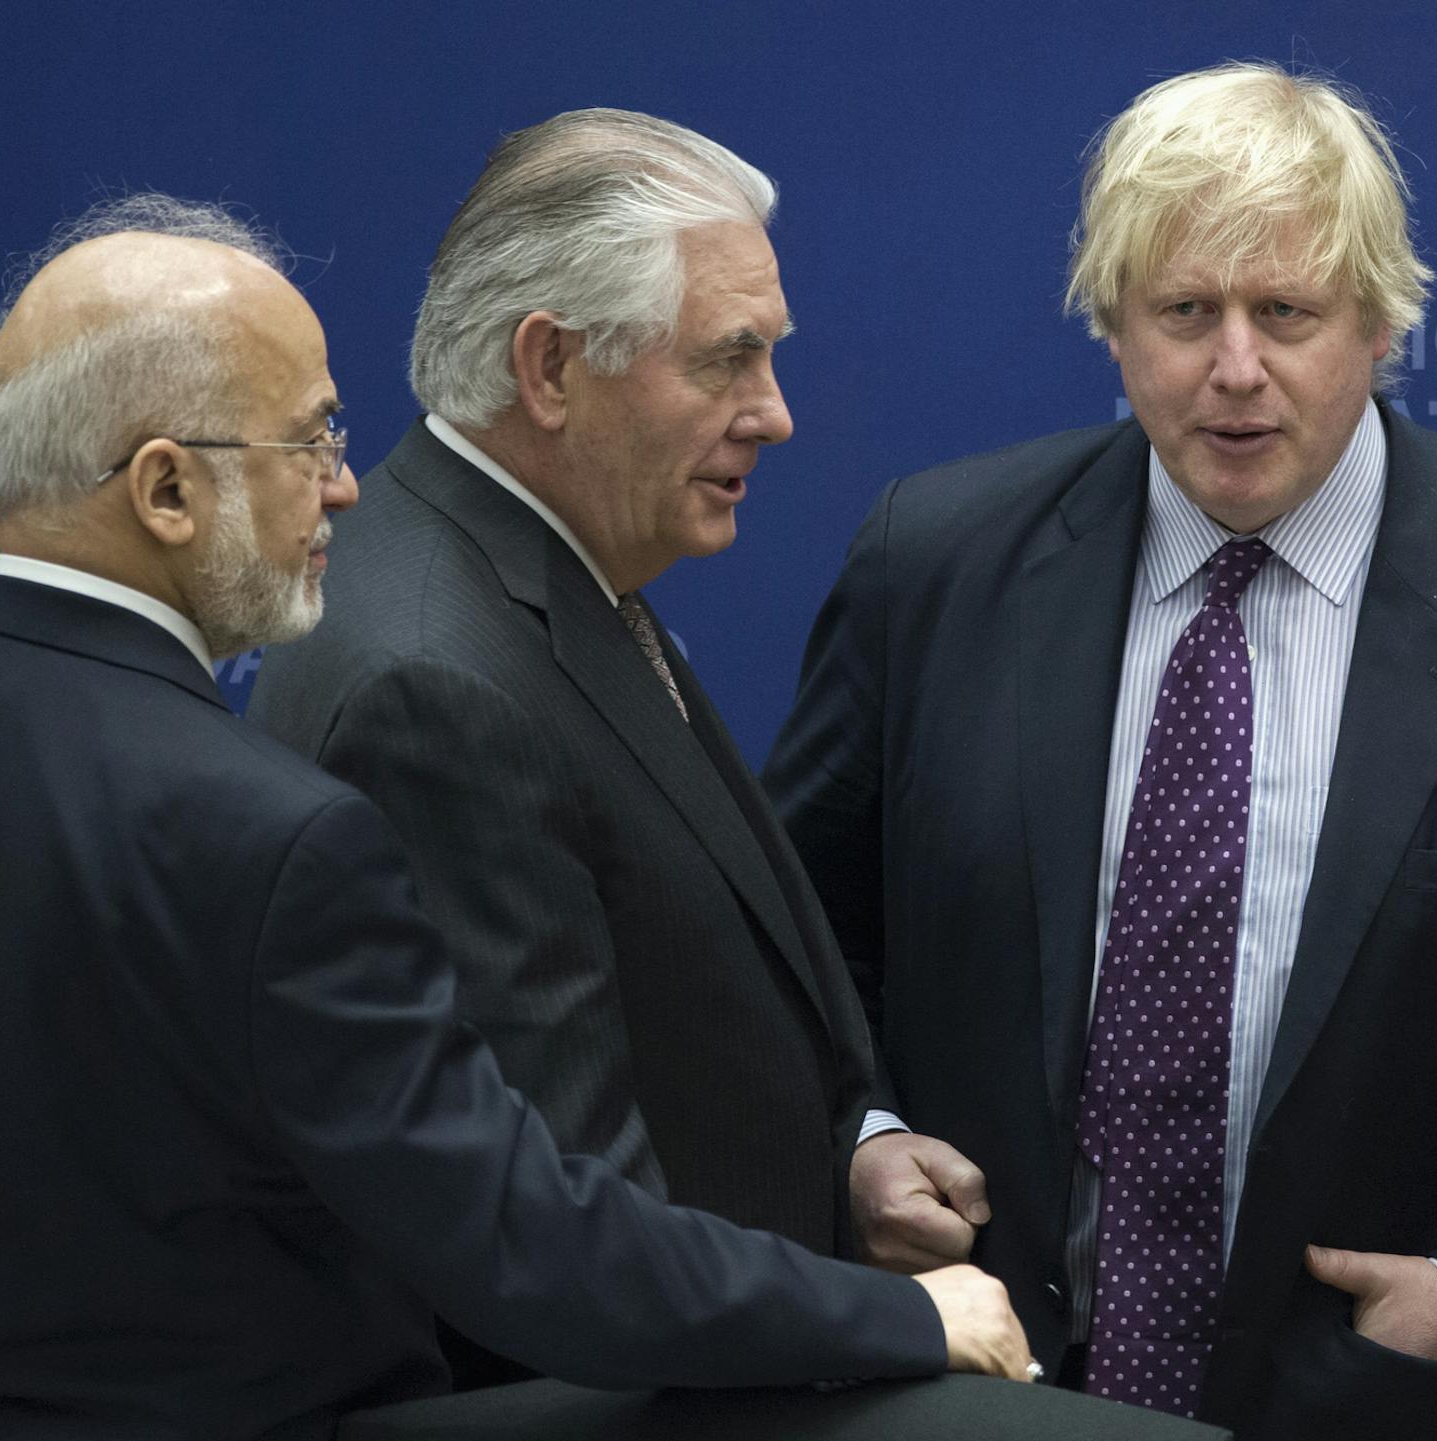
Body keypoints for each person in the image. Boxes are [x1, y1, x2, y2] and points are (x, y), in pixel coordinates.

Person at [0, 195, 1029, 1441]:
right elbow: (530, 1246)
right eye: (310, 440)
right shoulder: (280, 838)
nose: (345, 487)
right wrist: (897, 1315)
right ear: (167, 490)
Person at [764, 62, 1437, 1441]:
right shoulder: (935, 567)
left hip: (1374, 1399)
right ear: (1114, 326)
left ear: (1380, 322)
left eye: (1287, 313)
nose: (1236, 369)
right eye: (1185, 311)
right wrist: (862, 1140)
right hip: (978, 1390)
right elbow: (786, 941)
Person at [249, 109, 981, 1341]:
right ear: (550, 368)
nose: (774, 413)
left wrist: (847, 1153)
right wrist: (894, 1322)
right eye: (727, 360)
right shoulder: (439, 684)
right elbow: (561, 1234)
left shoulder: (533, 568)